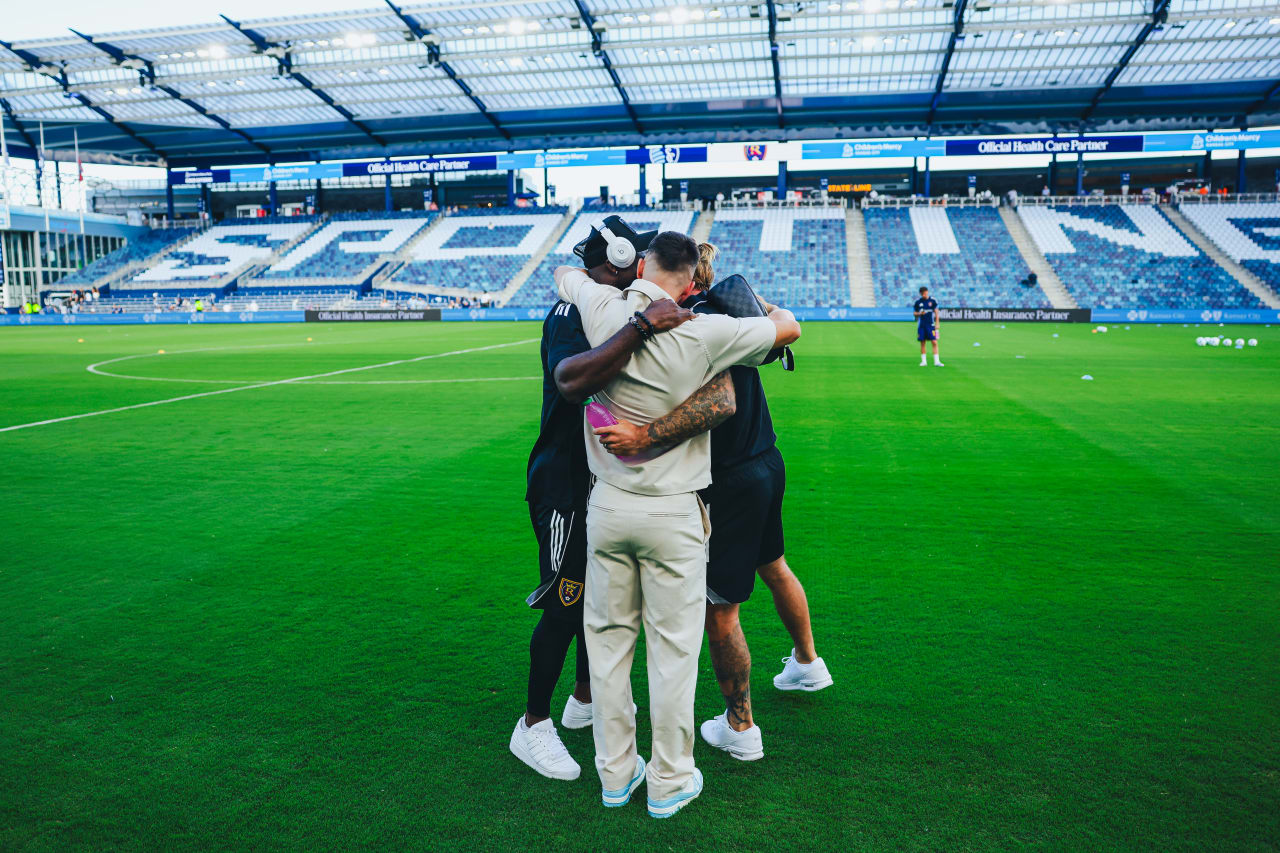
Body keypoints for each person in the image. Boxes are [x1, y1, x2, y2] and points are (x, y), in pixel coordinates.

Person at [557, 231, 801, 819]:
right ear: (692, 284)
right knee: (673, 653)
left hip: (609, 505)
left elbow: (568, 279)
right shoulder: (707, 330)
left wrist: (609, 285)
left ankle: (616, 776)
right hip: (674, 512)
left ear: (641, 264)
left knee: (610, 647)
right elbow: (788, 328)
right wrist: (754, 302)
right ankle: (670, 781)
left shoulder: (603, 309)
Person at [514, 216, 739, 783]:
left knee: (602, 606)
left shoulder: (619, 311)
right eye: (640, 262)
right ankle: (533, 723)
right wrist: (641, 326)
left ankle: (584, 700)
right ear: (623, 259)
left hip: (603, 483)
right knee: (566, 604)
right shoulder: (577, 314)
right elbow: (574, 382)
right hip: (564, 482)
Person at [593, 243, 832, 763]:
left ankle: (740, 728)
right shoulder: (735, 316)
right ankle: (808, 664)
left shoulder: (691, 325)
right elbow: (784, 329)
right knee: (774, 566)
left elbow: (718, 402)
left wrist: (645, 436)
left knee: (719, 612)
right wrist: (756, 299)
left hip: (728, 481)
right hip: (767, 462)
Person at [914, 286, 942, 367]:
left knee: (934, 342)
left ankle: (937, 361)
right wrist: (920, 314)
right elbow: (915, 313)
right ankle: (923, 362)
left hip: (931, 325)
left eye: (926, 293)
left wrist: (937, 323)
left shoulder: (932, 301)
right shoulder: (918, 302)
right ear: (921, 294)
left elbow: (936, 312)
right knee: (922, 342)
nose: (925, 295)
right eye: (923, 294)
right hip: (922, 325)